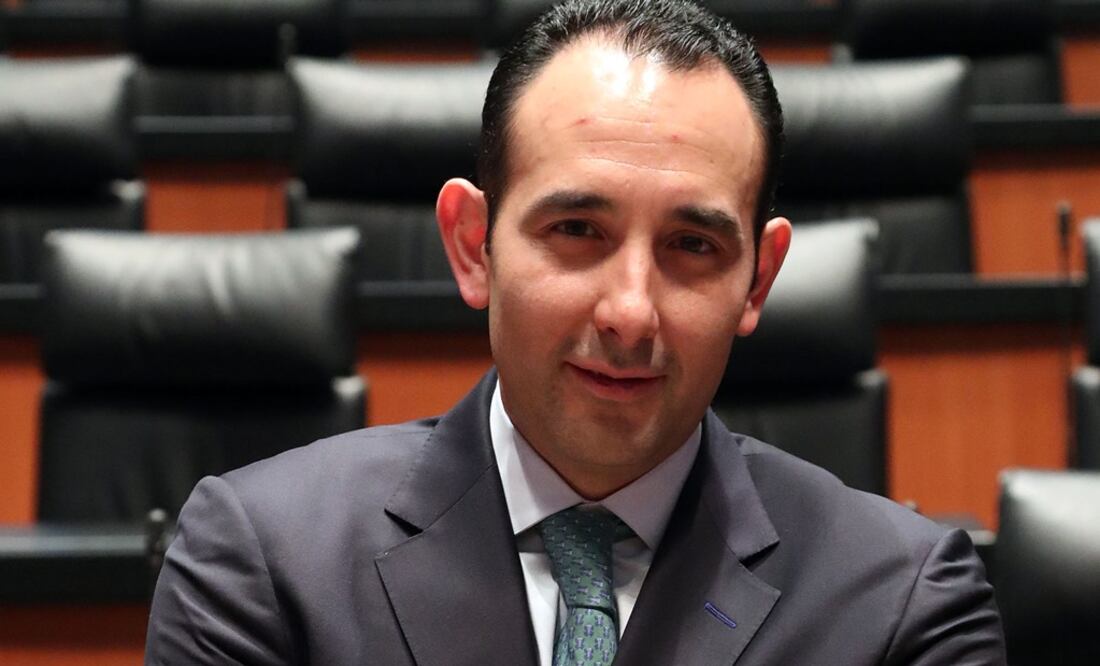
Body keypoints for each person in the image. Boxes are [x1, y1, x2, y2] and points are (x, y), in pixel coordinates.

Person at [145, 1, 1006, 664]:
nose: (630, 311)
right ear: (473, 246)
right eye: (577, 231)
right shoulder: (264, 561)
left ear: (758, 279)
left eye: (692, 246)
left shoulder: (904, 601)